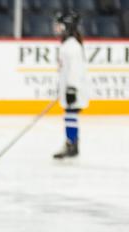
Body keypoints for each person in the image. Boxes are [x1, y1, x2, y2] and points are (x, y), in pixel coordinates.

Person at [53, 10, 87, 160]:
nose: (56, 28)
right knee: (69, 115)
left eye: (59, 25)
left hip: (74, 88)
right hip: (70, 87)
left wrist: (71, 88)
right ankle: (71, 144)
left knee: (70, 115)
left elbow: (75, 69)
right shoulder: (68, 44)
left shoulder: (72, 46)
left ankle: (71, 144)